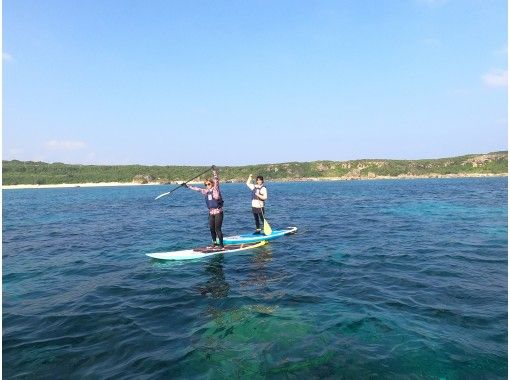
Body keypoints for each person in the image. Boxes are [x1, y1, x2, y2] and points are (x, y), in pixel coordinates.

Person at [186, 166, 225, 250]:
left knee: (217, 229)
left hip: (218, 212)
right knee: (211, 228)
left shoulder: (215, 189)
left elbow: (216, 180)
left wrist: (214, 172)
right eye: (206, 184)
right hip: (211, 213)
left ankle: (221, 246)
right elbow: (197, 189)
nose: (207, 185)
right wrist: (187, 186)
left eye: (209, 184)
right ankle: (214, 244)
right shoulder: (206, 191)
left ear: (212, 184)